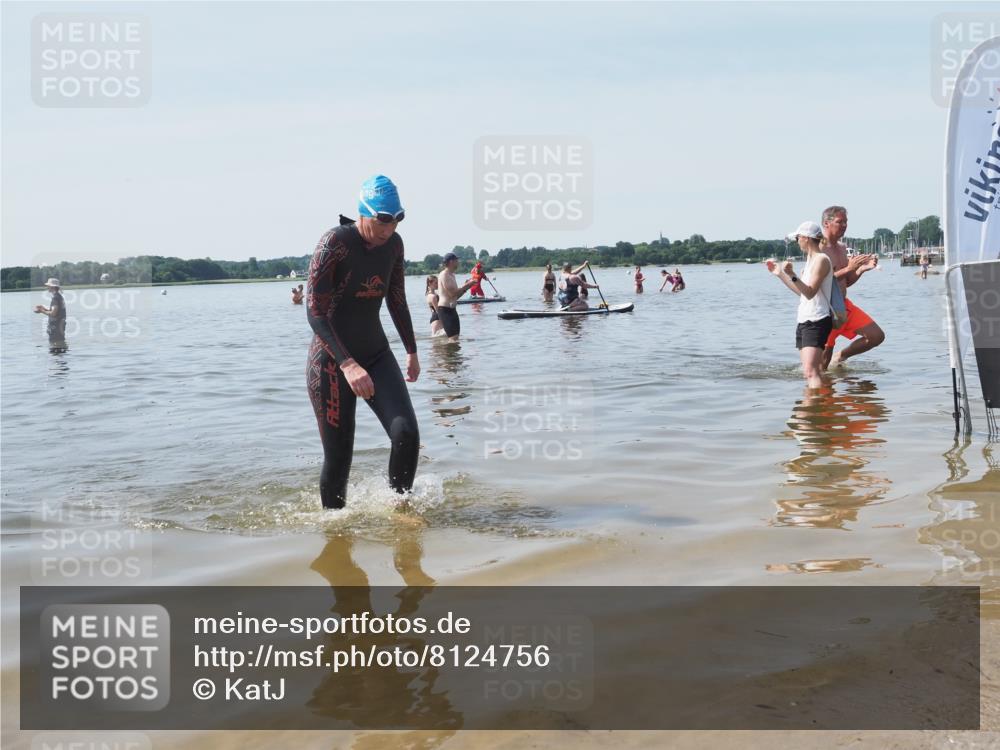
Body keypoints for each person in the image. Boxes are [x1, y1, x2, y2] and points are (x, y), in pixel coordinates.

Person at [305, 175, 420, 510]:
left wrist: (412, 350)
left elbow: (396, 299)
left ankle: (400, 511)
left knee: (406, 434)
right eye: (383, 220)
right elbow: (314, 311)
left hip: (376, 354)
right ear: (364, 213)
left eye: (397, 219)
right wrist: (346, 363)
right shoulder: (334, 243)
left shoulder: (395, 246)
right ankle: (334, 528)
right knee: (339, 458)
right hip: (331, 362)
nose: (390, 228)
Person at [766, 221, 835, 390]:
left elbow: (810, 292)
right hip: (805, 319)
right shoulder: (810, 262)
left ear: (806, 238)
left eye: (798, 238)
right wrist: (781, 274)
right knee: (810, 372)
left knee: (811, 372)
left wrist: (792, 274)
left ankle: (813, 410)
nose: (797, 242)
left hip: (817, 319)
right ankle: (818, 407)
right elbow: (803, 293)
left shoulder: (821, 260)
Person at [819, 206, 883, 369]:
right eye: (840, 222)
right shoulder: (819, 248)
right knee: (823, 362)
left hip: (844, 304)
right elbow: (819, 281)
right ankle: (821, 390)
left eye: (846, 222)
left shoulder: (842, 248)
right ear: (826, 223)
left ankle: (841, 357)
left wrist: (861, 269)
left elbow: (845, 282)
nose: (844, 225)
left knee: (876, 336)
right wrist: (849, 268)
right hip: (827, 308)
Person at [436, 253, 475, 341]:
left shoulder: (452, 275)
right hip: (445, 310)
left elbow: (455, 297)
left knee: (455, 339)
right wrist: (466, 285)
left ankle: (453, 355)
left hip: (453, 310)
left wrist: (467, 287)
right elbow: (452, 293)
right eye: (457, 261)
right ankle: (447, 354)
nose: (458, 262)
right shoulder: (444, 275)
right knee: (453, 339)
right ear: (451, 262)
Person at [34, 277, 67, 350]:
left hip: (56, 329)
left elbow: (53, 313)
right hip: (60, 328)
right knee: (61, 351)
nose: (47, 287)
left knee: (55, 352)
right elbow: (55, 310)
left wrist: (41, 311)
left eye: (48, 286)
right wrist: (43, 307)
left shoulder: (55, 298)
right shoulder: (59, 297)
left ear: (52, 287)